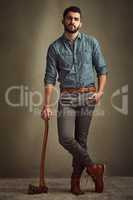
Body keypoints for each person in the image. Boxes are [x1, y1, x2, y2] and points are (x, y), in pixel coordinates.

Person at [41, 6, 108, 195]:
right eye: (69, 18)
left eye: (76, 19)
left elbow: (102, 69)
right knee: (65, 137)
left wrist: (101, 92)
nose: (73, 22)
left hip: (88, 96)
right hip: (67, 97)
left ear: (81, 22)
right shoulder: (54, 48)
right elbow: (49, 78)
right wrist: (46, 104)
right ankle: (95, 169)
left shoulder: (91, 42)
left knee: (81, 140)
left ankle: (75, 182)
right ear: (63, 21)